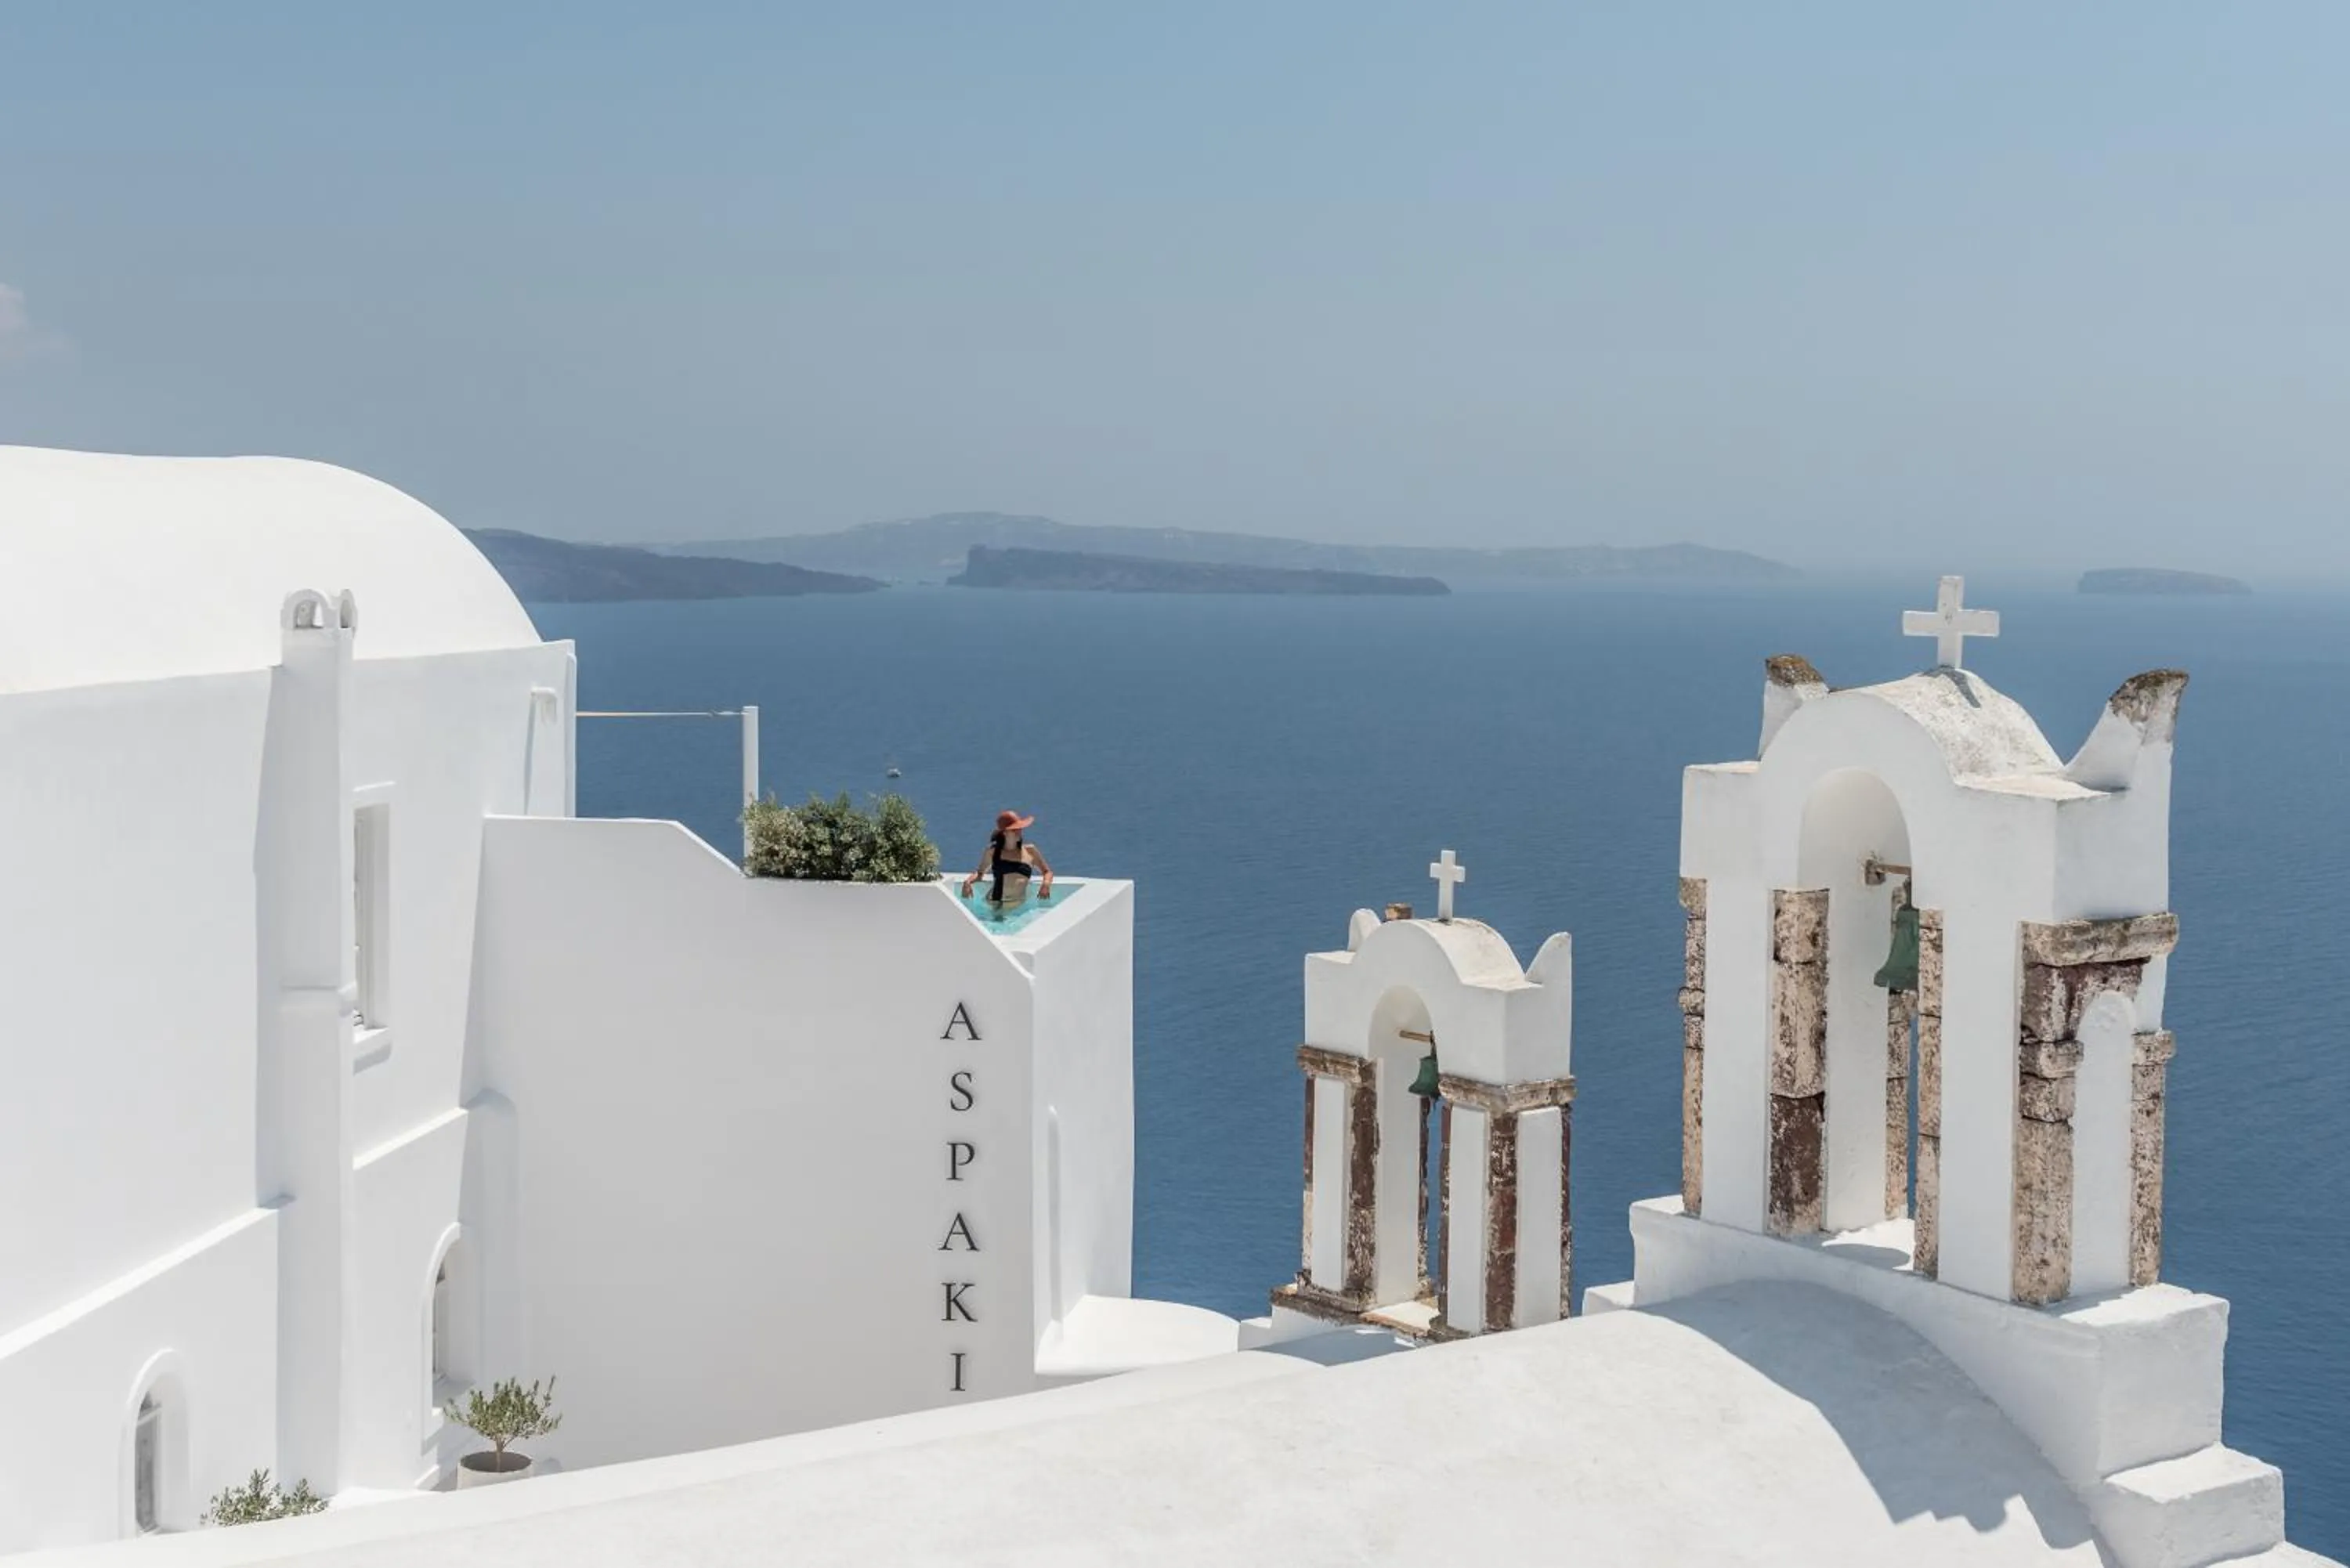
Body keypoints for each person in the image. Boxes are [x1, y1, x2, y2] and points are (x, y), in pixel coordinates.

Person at [960, 809, 1053, 915]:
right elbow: (980, 873)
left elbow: (1047, 872)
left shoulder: (1030, 851)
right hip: (995, 905)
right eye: (1015, 830)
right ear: (1004, 833)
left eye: (1020, 829)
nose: (1019, 832)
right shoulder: (993, 852)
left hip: (1019, 906)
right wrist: (968, 882)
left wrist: (1046, 884)